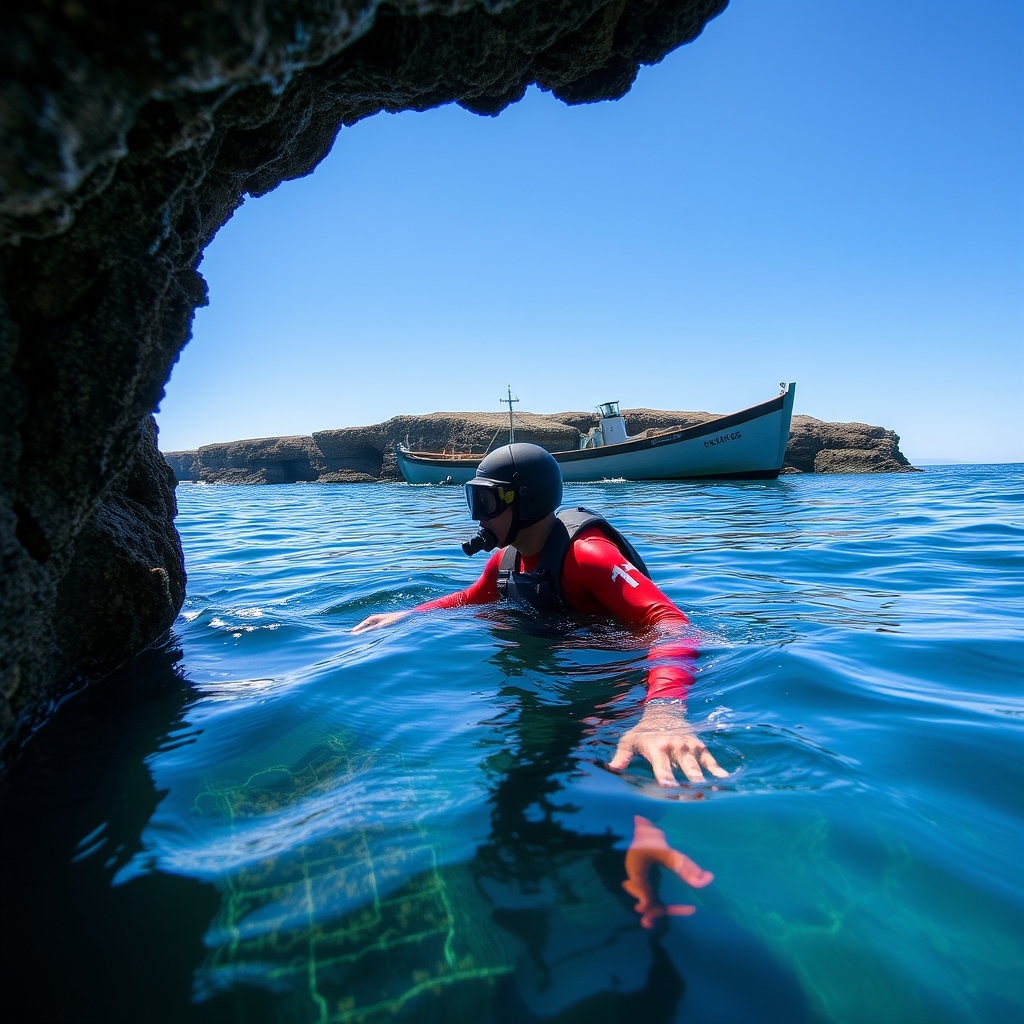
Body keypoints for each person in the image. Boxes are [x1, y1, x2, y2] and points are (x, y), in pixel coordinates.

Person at [353, 443, 727, 786]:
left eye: (487, 503)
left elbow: (673, 623)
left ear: (526, 501)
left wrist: (664, 711)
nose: (477, 518)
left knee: (615, 769)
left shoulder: (589, 556)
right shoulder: (505, 560)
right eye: (474, 501)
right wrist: (409, 615)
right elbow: (470, 598)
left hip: (625, 675)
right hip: (561, 673)